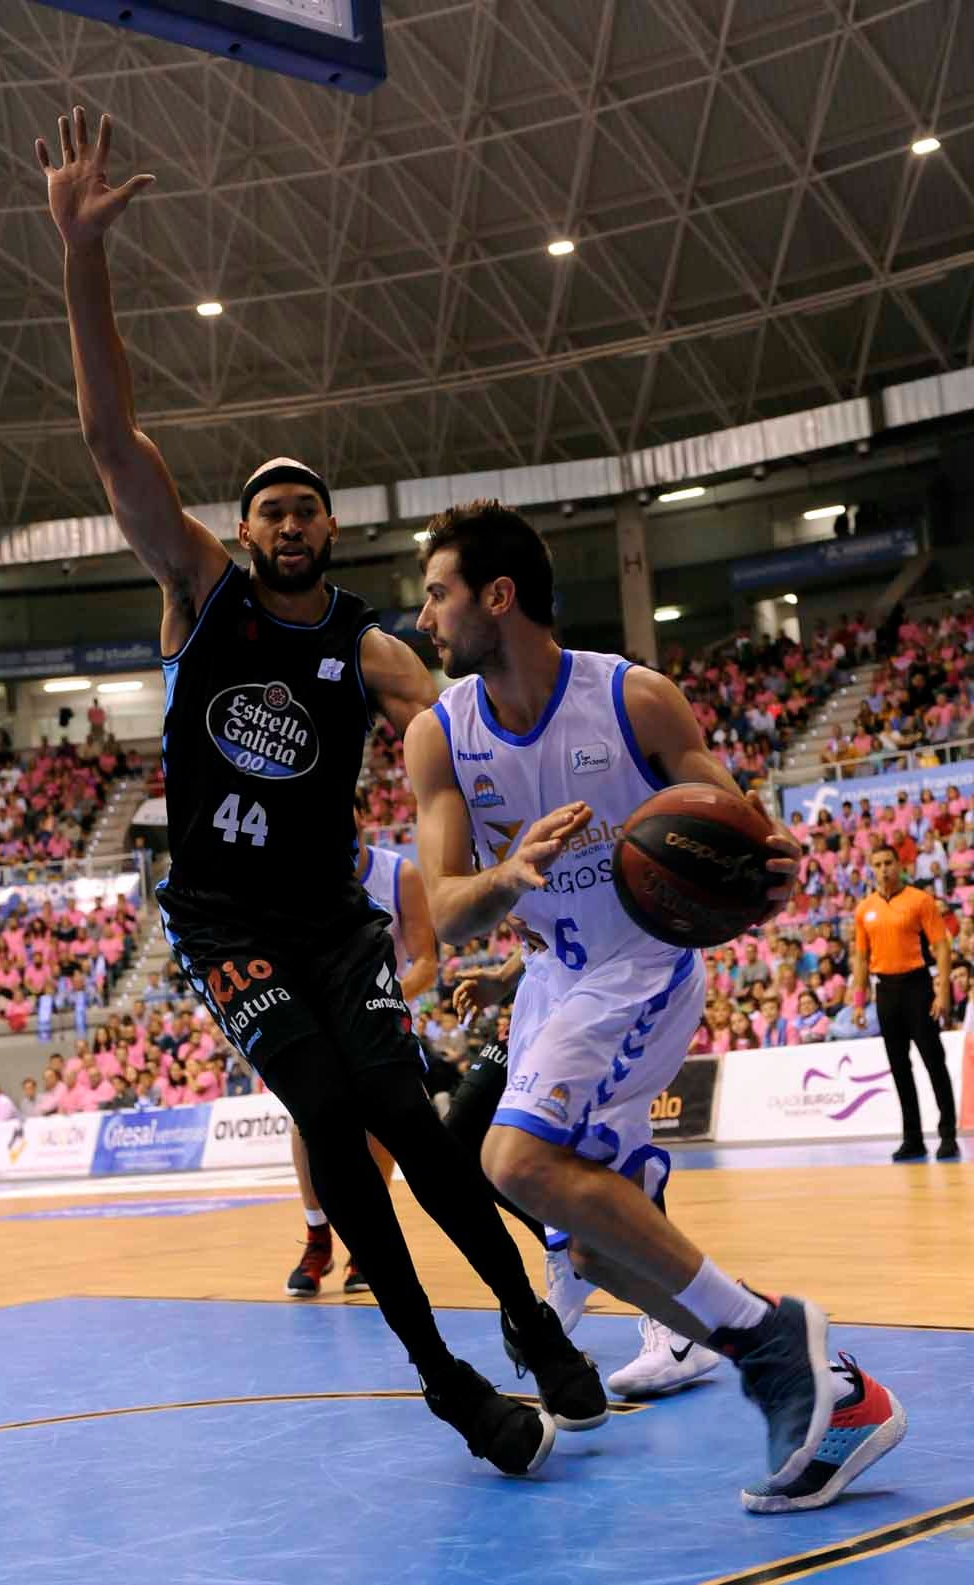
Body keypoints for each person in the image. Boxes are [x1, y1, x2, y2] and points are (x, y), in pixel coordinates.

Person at [38, 105, 605, 1479]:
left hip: (336, 918)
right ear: (241, 533)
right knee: (337, 1131)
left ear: (334, 530)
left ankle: (526, 1317)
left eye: (310, 508)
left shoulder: (372, 643)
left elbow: (459, 723)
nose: (290, 523)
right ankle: (447, 1383)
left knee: (411, 1125)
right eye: (268, 510)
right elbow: (114, 437)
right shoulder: (199, 591)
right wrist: (80, 258)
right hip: (226, 924)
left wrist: (509, 836)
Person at [404, 499, 860, 1500]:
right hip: (554, 990)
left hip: (644, 969)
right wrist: (507, 876)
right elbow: (446, 910)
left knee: (510, 1156)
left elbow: (741, 829)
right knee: (601, 1253)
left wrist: (771, 859)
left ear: (499, 594)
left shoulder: (633, 699)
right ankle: (825, 1383)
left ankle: (774, 1344)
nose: (424, 617)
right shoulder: (437, 739)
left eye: (437, 593)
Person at [450, 939, 905, 1513]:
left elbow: (462, 906)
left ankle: (796, 1364)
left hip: (618, 974)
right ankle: (835, 1390)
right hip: (555, 980)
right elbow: (517, 906)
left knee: (534, 1175)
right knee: (587, 1243)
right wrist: (512, 965)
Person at [286, 799, 439, 1298]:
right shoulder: (296, 877)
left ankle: (365, 1246)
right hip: (320, 1019)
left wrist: (385, 996)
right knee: (304, 1119)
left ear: (361, 822)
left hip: (377, 1017)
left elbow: (425, 963)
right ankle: (317, 1237)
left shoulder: (400, 874)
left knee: (382, 1125)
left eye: (348, 830)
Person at [852, 843, 960, 1161]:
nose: (883, 869)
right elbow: (860, 958)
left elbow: (941, 947)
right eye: (877, 864)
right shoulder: (864, 910)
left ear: (899, 865)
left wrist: (942, 992)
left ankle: (948, 1135)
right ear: (872, 868)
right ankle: (912, 1138)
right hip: (885, 991)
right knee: (900, 1068)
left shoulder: (920, 900)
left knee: (933, 1062)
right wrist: (859, 1001)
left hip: (917, 987)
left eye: (888, 862)